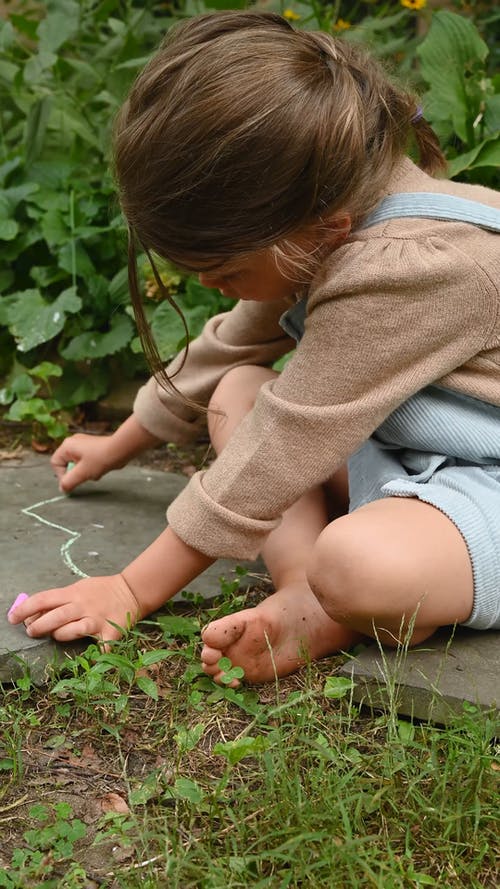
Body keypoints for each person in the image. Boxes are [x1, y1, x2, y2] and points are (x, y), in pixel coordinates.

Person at [8, 11, 500, 685]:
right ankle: (302, 590)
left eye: (227, 271)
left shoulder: (411, 266)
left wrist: (130, 588)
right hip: (420, 449)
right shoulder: (321, 213)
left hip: (489, 480)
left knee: (360, 565)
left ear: (325, 230)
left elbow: (281, 442)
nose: (210, 286)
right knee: (238, 386)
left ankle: (334, 595)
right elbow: (226, 348)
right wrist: (119, 443)